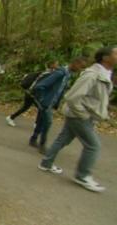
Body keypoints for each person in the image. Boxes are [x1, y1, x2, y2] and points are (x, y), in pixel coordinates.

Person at [38, 46, 117, 192]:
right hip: (79, 115)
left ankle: (46, 163)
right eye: (116, 53)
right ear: (106, 58)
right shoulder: (92, 74)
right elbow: (72, 97)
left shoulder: (105, 73)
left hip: (80, 114)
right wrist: (83, 114)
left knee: (63, 139)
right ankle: (82, 175)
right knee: (93, 146)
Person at [29, 57, 87, 153]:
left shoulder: (67, 74)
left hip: (50, 103)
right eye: (81, 67)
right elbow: (41, 85)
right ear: (75, 63)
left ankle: (33, 139)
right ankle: (42, 145)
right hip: (46, 102)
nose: (80, 70)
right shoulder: (60, 73)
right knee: (47, 123)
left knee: (41, 121)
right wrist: (43, 99)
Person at [6, 60, 59, 127]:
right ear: (51, 65)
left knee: (27, 107)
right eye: (56, 64)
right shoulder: (47, 74)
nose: (58, 66)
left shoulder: (46, 73)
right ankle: (36, 124)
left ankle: (11, 117)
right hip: (33, 93)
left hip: (30, 92)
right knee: (41, 108)